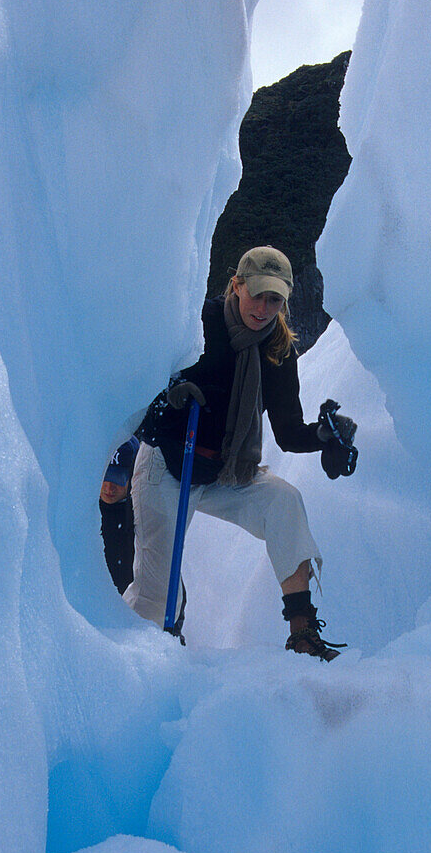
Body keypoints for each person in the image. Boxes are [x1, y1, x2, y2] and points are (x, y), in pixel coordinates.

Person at [123, 246, 357, 660]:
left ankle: (303, 633)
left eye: (276, 299)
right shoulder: (200, 322)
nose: (265, 309)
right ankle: (136, 658)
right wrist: (167, 401)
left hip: (225, 471)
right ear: (237, 285)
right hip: (169, 466)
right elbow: (140, 399)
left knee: (284, 502)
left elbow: (287, 432)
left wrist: (324, 436)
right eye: (259, 295)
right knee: (158, 593)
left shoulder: (277, 349)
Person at [99, 436, 139, 595]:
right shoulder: (81, 510)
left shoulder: (141, 517)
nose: (109, 487)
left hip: (125, 610)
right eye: (105, 478)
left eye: (118, 479)